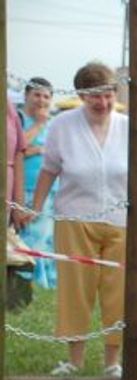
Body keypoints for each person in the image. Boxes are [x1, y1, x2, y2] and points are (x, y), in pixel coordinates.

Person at [22, 62, 137, 378]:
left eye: (108, 96)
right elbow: (49, 170)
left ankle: (112, 362)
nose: (103, 103)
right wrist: (35, 206)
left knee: (118, 291)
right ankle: (75, 360)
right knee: (75, 290)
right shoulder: (62, 126)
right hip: (74, 219)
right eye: (95, 97)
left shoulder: (129, 126)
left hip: (122, 221)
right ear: (81, 95)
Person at [19, 77, 56, 289]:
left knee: (46, 237)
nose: (41, 100)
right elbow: (17, 148)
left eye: (46, 96)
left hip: (51, 188)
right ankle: (27, 278)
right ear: (26, 96)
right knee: (29, 234)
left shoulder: (53, 124)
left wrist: (32, 150)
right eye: (37, 95)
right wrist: (40, 126)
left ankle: (45, 279)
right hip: (25, 187)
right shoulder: (19, 119)